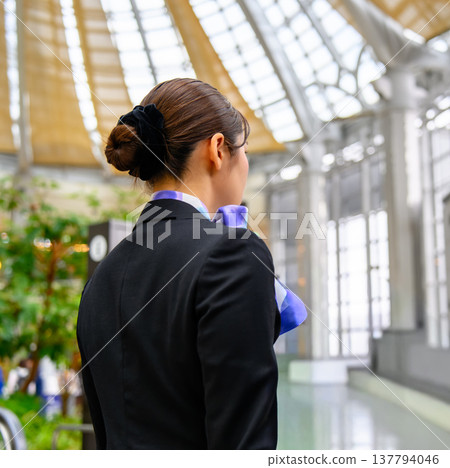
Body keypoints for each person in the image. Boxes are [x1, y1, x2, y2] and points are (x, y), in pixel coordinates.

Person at [77, 78, 280, 449]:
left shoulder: (103, 275)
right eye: (244, 150)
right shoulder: (232, 253)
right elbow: (245, 441)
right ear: (218, 149)